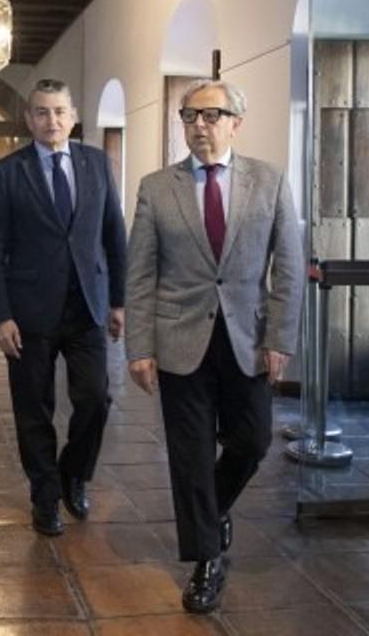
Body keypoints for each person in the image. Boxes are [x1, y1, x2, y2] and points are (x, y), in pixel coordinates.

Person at [124, 78, 303, 613]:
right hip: (180, 338)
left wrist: (281, 338)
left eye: (210, 115)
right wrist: (138, 345)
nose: (198, 126)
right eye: (189, 116)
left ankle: (212, 511)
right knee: (191, 454)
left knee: (253, 442)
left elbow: (289, 266)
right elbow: (140, 273)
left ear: (235, 123)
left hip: (247, 338)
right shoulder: (158, 187)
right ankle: (206, 561)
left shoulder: (268, 182)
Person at [0, 78, 127, 536]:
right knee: (33, 409)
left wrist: (118, 301)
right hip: (28, 312)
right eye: (42, 112)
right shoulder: (8, 171)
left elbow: (114, 237)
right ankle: (44, 496)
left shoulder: (97, 163)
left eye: (60, 111)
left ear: (74, 115)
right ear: (29, 119)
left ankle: (73, 475)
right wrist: (0, 315)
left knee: (95, 400)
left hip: (87, 306)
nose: (52, 121)